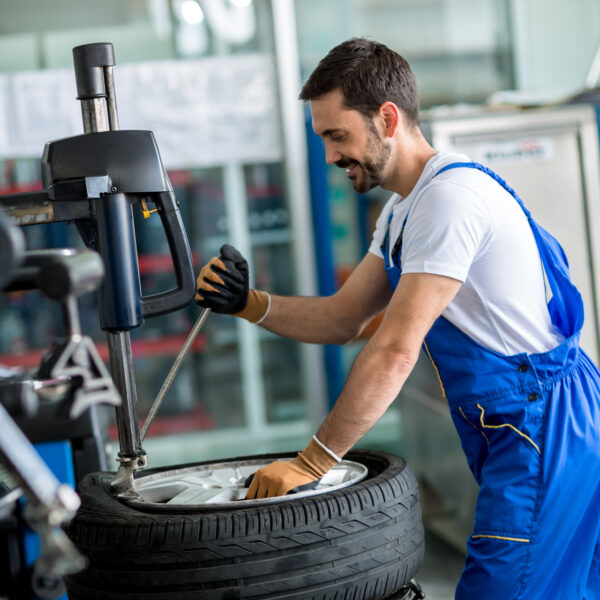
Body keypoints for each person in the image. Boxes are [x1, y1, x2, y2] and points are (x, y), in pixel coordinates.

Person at [195, 38, 600, 599]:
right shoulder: (401, 210)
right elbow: (343, 319)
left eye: (338, 136)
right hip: (517, 423)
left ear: (387, 118)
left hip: (545, 424)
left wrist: (312, 463)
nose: (331, 156)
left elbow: (394, 348)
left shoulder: (451, 198)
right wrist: (248, 302)